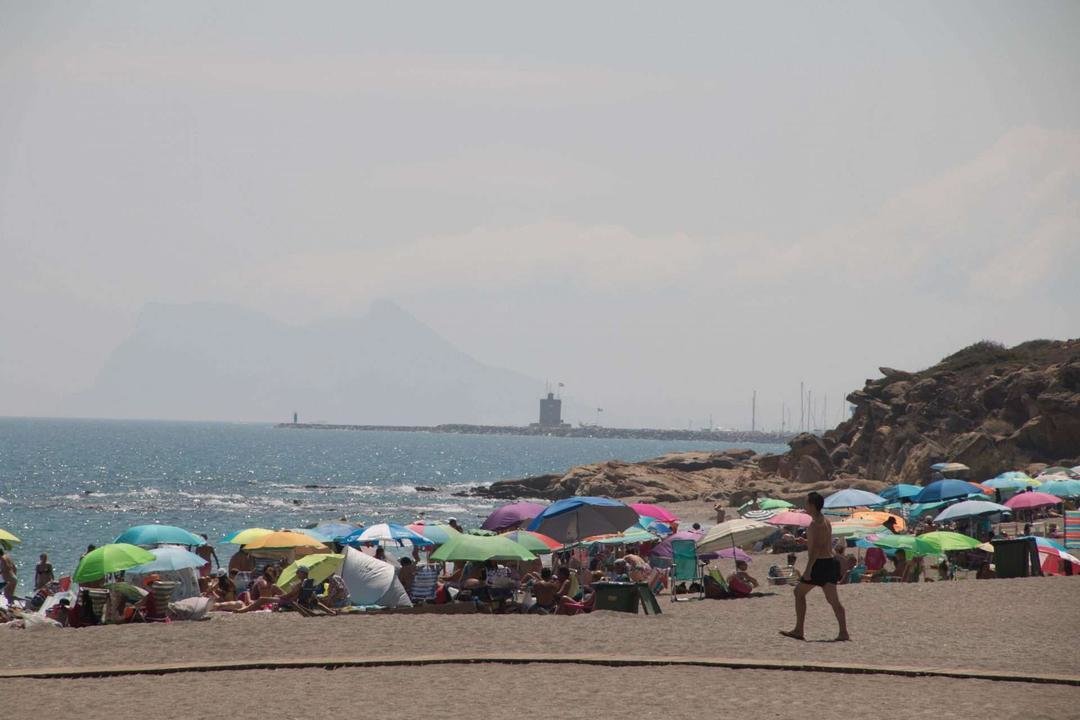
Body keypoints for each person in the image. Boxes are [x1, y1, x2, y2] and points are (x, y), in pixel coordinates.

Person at [781, 491, 850, 642]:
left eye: (806, 503)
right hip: (830, 562)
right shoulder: (825, 521)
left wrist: (807, 570)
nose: (805, 506)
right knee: (834, 601)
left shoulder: (813, 525)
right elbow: (823, 544)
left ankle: (799, 630)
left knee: (798, 593)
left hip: (819, 564)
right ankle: (843, 632)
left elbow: (816, 550)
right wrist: (806, 542)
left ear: (812, 505)